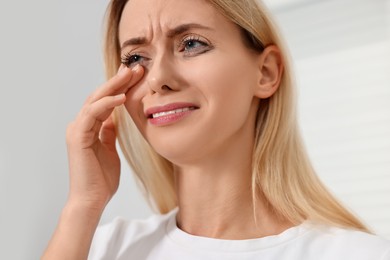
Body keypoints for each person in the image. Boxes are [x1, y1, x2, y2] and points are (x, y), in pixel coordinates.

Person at [42, 0, 390, 259]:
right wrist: (82, 206)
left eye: (191, 44)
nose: (158, 79)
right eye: (135, 58)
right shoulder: (100, 247)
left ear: (265, 72)